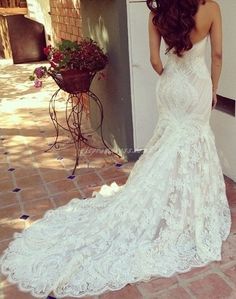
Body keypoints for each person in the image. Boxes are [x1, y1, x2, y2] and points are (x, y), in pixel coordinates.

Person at [0, 0, 231, 298]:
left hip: (171, 86)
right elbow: (217, 54)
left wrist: (172, 75)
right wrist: (212, 88)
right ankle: (188, 209)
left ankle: (164, 202)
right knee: (193, 142)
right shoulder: (211, 8)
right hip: (196, 86)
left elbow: (154, 61)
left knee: (168, 146)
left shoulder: (157, 13)